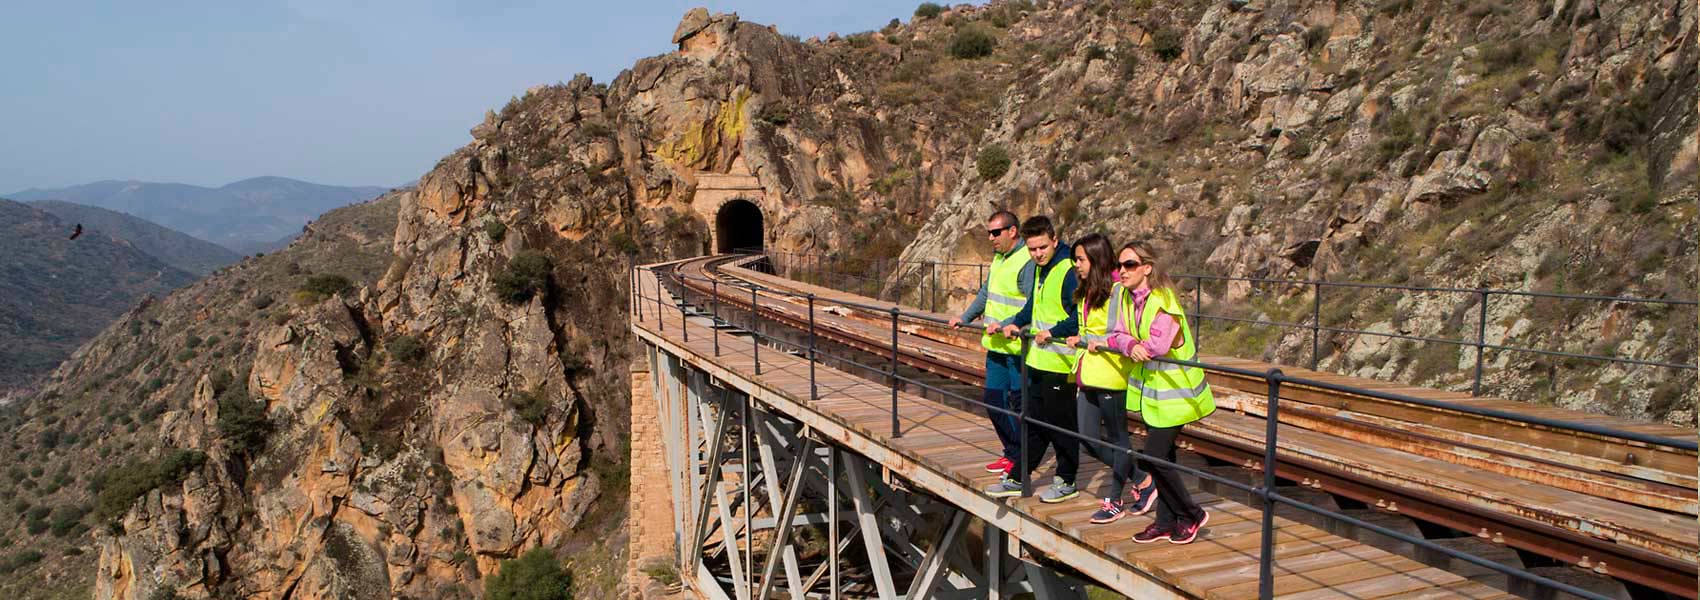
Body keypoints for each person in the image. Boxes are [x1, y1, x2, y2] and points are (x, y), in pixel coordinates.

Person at [1108, 242, 1216, 545]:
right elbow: (1115, 335)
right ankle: (1166, 521)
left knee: (1153, 457)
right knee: (1163, 455)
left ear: (1147, 268)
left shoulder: (1163, 299)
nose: (1122, 271)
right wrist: (1130, 345)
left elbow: (1159, 345)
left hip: (1178, 394)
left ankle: (1191, 513)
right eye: (1120, 266)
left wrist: (1135, 344)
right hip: (1156, 395)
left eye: (1130, 265)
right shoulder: (1128, 299)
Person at [984, 216, 1081, 502]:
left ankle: (1067, 479)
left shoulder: (1067, 270)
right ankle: (1018, 475)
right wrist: (1014, 323)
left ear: (1054, 240)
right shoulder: (1040, 268)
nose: (1037, 254)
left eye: (1042, 247)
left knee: (1059, 424)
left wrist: (1054, 331)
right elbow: (1033, 307)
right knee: (1033, 421)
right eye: (1032, 249)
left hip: (1060, 362)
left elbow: (1079, 317)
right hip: (1038, 359)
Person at [1066, 234, 1158, 524]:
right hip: (1087, 372)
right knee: (1086, 439)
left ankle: (1115, 500)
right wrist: (1081, 337)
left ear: (1096, 259)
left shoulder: (1119, 291)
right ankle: (1143, 480)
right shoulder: (1087, 291)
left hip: (1111, 373)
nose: (1077, 265)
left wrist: (1094, 339)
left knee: (1120, 440)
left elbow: (1125, 331)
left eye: (1081, 259)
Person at [948, 210, 1035, 474]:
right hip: (996, 346)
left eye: (996, 232)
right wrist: (965, 317)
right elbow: (987, 293)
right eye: (989, 232)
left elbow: (1033, 303)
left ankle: (1023, 459)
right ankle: (1013, 452)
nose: (990, 237)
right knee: (993, 401)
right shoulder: (999, 258)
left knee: (1019, 407)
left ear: (1012, 231)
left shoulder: (1026, 261)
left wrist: (1014, 324)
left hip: (1017, 349)